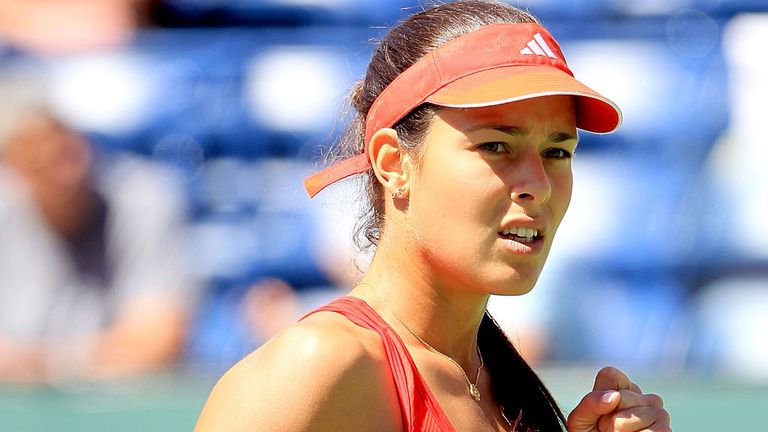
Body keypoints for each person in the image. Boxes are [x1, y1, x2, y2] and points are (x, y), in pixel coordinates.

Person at [195, 1, 671, 431]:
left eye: (557, 152)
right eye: (496, 146)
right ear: (393, 163)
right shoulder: (317, 365)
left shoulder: (494, 379)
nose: (539, 184)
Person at [0, 104, 199, 382]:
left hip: (124, 400)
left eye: (67, 153)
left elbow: (160, 339)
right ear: (14, 167)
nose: (64, 174)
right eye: (40, 162)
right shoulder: (7, 211)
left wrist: (48, 362)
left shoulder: (141, 200)